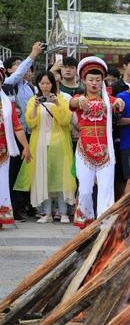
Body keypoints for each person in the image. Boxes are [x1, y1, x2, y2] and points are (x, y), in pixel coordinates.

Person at [70, 57, 125, 229]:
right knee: (85, 190)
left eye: (98, 80)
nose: (94, 83)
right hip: (84, 149)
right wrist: (78, 102)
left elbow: (118, 103)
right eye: (91, 79)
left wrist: (120, 102)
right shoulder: (79, 97)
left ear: (102, 81)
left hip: (106, 150)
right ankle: (86, 222)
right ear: (84, 80)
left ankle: (104, 226)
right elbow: (71, 104)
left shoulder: (108, 99)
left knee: (106, 190)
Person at [14, 71, 75, 223]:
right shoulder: (33, 100)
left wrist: (57, 104)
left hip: (59, 142)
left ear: (53, 84)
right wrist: (34, 107)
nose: (45, 86)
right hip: (40, 143)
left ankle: (63, 212)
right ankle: (46, 213)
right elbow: (30, 123)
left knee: (62, 177)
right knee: (43, 177)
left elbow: (65, 120)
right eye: (42, 83)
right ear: (38, 84)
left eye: (48, 83)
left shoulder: (62, 99)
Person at [3, 43, 43, 222]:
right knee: (12, 173)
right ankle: (12, 207)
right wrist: (33, 54)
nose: (21, 68)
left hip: (28, 132)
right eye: (17, 65)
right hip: (12, 136)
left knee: (24, 172)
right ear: (8, 70)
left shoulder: (29, 87)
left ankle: (21, 206)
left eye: (23, 63)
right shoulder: (9, 83)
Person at [0, 64, 33, 228]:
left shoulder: (7, 104)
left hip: (3, 151)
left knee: (2, 183)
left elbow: (17, 127)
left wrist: (26, 147)